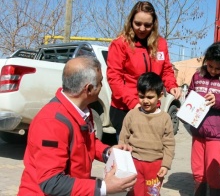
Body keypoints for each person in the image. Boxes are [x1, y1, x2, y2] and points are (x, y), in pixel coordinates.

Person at [18, 56, 137, 196]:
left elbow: (85, 143)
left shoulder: (83, 111)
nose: (102, 86)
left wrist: (108, 152)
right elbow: (51, 182)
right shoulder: (51, 122)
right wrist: (104, 187)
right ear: (89, 89)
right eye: (100, 83)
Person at [106, 1, 181, 142]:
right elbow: (114, 78)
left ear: (154, 24)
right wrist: (134, 102)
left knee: (149, 155)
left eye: (147, 25)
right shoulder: (120, 44)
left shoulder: (161, 44)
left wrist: (172, 85)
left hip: (151, 108)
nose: (142, 28)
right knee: (127, 158)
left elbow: (165, 69)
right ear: (131, 22)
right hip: (125, 109)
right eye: (137, 23)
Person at [187, 42, 220, 195]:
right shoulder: (198, 75)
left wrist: (218, 100)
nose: (213, 71)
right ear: (206, 61)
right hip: (197, 130)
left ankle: (217, 190)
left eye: (218, 68)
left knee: (212, 170)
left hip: (216, 133)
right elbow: (189, 93)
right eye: (210, 66)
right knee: (198, 170)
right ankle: (200, 192)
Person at [119, 72, 175, 196]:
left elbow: (169, 144)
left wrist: (165, 165)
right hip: (134, 163)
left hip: (155, 165)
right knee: (135, 193)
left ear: (160, 96)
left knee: (152, 193)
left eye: (150, 97)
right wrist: (122, 161)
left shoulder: (165, 118)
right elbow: (123, 138)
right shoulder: (132, 115)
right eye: (141, 96)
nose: (145, 101)